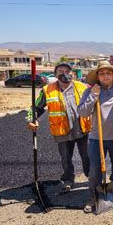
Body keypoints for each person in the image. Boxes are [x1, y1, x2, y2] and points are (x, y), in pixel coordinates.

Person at [26, 62, 91, 193]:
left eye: (67, 70)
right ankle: (68, 180)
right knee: (66, 157)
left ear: (72, 73)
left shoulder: (83, 87)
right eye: (60, 71)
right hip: (61, 130)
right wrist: (31, 119)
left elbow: (96, 100)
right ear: (55, 75)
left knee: (88, 156)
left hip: (83, 129)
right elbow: (36, 107)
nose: (64, 73)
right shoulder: (47, 90)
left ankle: (92, 178)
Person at [77, 61, 113, 213]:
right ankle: (94, 196)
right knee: (95, 169)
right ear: (97, 76)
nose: (105, 76)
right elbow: (83, 112)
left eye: (108, 73)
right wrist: (93, 95)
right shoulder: (91, 91)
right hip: (96, 138)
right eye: (102, 73)